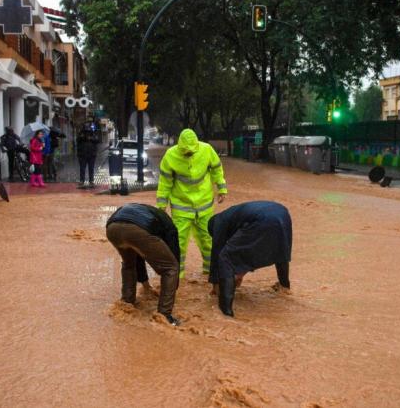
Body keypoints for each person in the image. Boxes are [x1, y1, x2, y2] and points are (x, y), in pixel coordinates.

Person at [156, 128, 227, 279]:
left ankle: (210, 272)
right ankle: (177, 275)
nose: (188, 153)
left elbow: (216, 169)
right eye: (185, 151)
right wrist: (161, 204)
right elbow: (164, 182)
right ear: (179, 146)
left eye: (191, 151)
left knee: (208, 239)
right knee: (178, 242)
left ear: (196, 146)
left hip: (204, 204)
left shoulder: (207, 150)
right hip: (181, 207)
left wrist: (222, 188)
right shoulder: (170, 156)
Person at [207, 201, 292, 317]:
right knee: (280, 249)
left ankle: (225, 310)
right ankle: (284, 287)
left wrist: (215, 283)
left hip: (262, 219)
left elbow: (217, 253)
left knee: (225, 257)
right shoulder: (233, 215)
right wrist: (240, 273)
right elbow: (248, 249)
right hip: (282, 214)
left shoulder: (218, 222)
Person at [106, 203, 181, 326]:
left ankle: (127, 303)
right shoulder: (169, 226)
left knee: (129, 264)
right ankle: (164, 316)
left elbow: (139, 255)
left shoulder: (147, 213)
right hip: (136, 229)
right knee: (171, 268)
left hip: (112, 228)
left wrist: (145, 284)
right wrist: (174, 285)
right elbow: (174, 254)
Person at [76, 120, 100, 189]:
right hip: (83, 154)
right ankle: (82, 181)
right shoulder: (81, 134)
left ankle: (91, 181)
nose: (87, 132)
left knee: (91, 168)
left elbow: (97, 140)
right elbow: (78, 140)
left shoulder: (93, 134)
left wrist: (91, 138)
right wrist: (83, 137)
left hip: (91, 154)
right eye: (86, 130)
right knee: (82, 168)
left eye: (88, 130)